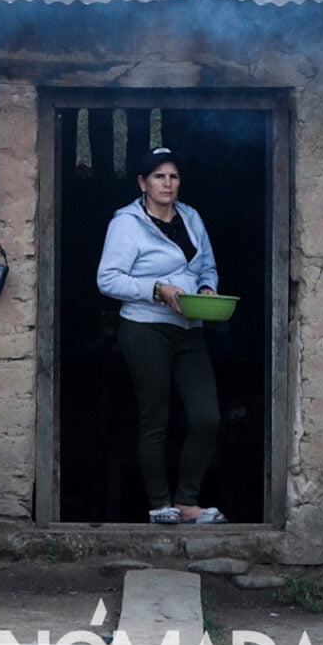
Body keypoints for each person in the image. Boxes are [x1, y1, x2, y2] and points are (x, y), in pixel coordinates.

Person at [95, 147, 228, 524]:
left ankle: (187, 502)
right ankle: (159, 504)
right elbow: (108, 279)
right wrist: (158, 289)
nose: (166, 183)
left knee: (207, 418)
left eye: (172, 176)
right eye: (158, 176)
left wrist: (205, 289)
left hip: (190, 326)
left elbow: (207, 266)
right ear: (142, 182)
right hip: (144, 328)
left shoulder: (191, 217)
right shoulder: (126, 223)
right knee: (156, 417)